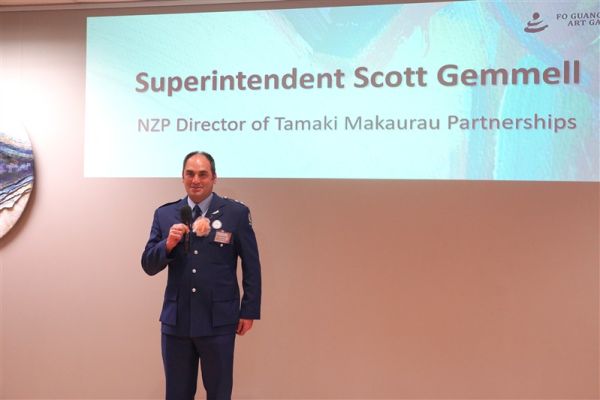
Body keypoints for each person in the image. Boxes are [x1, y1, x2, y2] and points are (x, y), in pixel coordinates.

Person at [141, 151, 261, 400]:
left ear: (214, 177)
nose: (196, 180)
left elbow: (251, 265)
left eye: (203, 174)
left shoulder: (236, 213)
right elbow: (148, 265)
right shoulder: (165, 214)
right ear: (182, 177)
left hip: (218, 320)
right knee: (177, 394)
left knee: (219, 393)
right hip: (177, 321)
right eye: (190, 174)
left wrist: (248, 310)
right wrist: (167, 244)